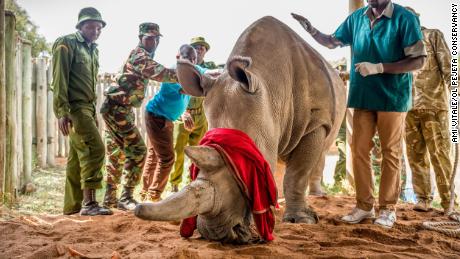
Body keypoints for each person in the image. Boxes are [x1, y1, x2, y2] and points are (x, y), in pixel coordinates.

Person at [292, 0, 426, 228]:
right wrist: (312, 30)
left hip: (392, 97)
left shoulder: (404, 18)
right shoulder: (358, 18)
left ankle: (387, 209)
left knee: (390, 153)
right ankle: (364, 206)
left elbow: (418, 60)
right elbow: (333, 42)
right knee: (358, 150)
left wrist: (380, 67)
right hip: (363, 95)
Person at [101, 22, 177, 211]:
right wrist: (190, 75)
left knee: (116, 154)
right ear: (141, 38)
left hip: (118, 109)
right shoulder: (139, 56)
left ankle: (110, 200)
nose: (153, 42)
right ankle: (126, 197)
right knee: (138, 150)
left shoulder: (142, 56)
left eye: (156, 38)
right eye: (149, 38)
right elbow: (161, 73)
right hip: (116, 109)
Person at [52, 7, 112, 216]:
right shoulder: (66, 43)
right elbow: (60, 79)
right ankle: (90, 203)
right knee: (95, 149)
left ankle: (72, 207)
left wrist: (93, 111)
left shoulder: (93, 49)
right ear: (80, 26)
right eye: (90, 26)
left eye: (99, 27)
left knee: (77, 158)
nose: (95, 30)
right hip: (74, 107)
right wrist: (61, 110)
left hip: (87, 107)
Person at [140, 44, 209, 201]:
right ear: (178, 57)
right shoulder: (173, 73)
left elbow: (205, 72)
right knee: (167, 158)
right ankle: (154, 196)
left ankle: (145, 192)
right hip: (157, 117)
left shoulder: (193, 70)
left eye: (193, 60)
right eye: (188, 59)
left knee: (155, 155)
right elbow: (189, 89)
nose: (191, 62)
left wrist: (216, 72)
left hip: (165, 118)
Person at [404, 7, 455, 213]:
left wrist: (456, 88)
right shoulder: (399, 43)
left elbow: (449, 66)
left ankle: (448, 203)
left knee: (440, 155)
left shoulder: (433, 35)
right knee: (415, 156)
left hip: (434, 106)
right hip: (408, 108)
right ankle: (423, 199)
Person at [168, 36, 218, 192]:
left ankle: (194, 184)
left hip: (201, 115)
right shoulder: (181, 69)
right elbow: (172, 93)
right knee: (178, 151)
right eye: (196, 47)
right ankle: (174, 187)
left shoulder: (209, 68)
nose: (199, 50)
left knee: (198, 151)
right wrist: (182, 113)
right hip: (184, 114)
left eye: (202, 48)